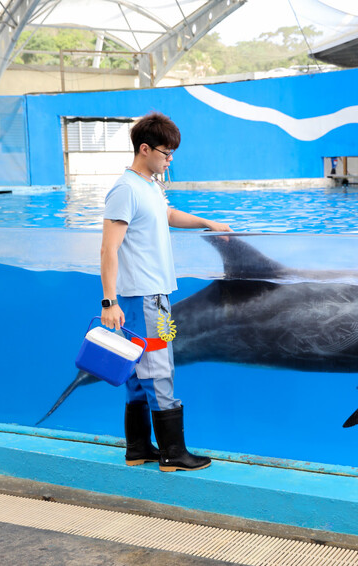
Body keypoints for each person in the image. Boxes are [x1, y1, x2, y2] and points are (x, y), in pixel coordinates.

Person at [100, 111, 231, 472]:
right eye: (166, 152)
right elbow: (108, 248)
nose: (170, 159)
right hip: (142, 296)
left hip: (150, 295)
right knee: (158, 370)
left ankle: (139, 448)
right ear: (145, 149)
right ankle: (173, 453)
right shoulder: (125, 189)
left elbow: (167, 215)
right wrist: (109, 301)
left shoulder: (150, 187)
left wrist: (206, 223)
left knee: (137, 370)